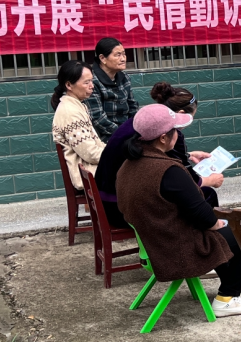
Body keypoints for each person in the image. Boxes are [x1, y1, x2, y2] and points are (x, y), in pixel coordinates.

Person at [117, 104, 241, 318]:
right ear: (163, 138)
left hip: (153, 246)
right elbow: (203, 215)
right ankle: (227, 296)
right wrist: (217, 223)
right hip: (176, 250)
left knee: (229, 231)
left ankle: (227, 284)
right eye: (176, 131)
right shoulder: (168, 170)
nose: (178, 134)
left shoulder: (129, 164)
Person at [95, 83, 225, 229]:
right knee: (204, 195)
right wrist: (210, 180)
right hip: (121, 209)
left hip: (109, 200)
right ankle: (209, 237)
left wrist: (187, 155)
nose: (178, 133)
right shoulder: (167, 139)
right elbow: (190, 182)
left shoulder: (140, 125)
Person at [51, 60, 107, 192]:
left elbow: (96, 144)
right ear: (69, 85)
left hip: (92, 171)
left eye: (91, 81)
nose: (92, 86)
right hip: (89, 175)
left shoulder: (76, 106)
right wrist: (116, 155)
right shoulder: (70, 112)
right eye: (86, 82)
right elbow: (90, 153)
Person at [85, 38, 139, 142]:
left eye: (124, 54)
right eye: (118, 55)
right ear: (102, 58)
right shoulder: (92, 81)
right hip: (105, 137)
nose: (123, 59)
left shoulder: (124, 78)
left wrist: (134, 129)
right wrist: (123, 134)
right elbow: (98, 118)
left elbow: (133, 107)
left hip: (128, 133)